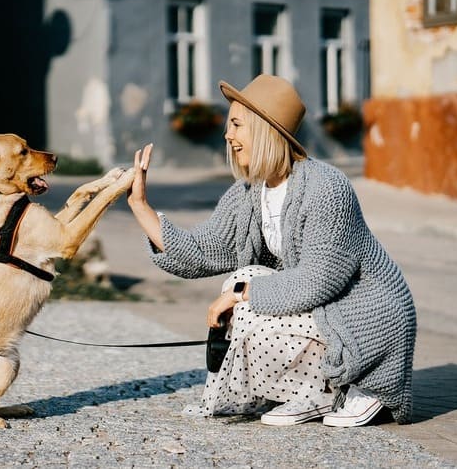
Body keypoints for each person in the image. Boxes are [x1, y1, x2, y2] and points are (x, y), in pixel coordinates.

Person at [126, 75, 416, 427]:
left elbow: (318, 281)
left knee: (244, 292)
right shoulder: (250, 191)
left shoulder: (327, 188)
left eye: (236, 125)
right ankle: (309, 393)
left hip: (366, 318)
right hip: (324, 311)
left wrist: (239, 296)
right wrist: (141, 206)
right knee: (242, 279)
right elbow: (203, 250)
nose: (227, 135)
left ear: (264, 129)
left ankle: (355, 386)